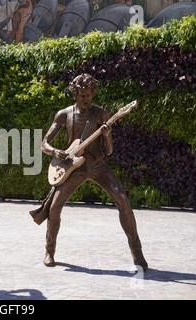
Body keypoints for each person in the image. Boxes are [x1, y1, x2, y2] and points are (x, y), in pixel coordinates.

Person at [30, 74, 148, 271]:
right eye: (82, 95)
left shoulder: (101, 114)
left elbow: (108, 151)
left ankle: (137, 252)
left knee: (122, 199)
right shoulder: (64, 115)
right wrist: (54, 151)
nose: (86, 99)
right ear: (75, 94)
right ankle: (49, 251)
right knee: (54, 207)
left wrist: (108, 135)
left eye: (89, 95)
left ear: (93, 93)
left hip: (97, 165)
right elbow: (44, 143)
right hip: (73, 166)